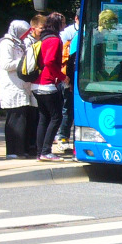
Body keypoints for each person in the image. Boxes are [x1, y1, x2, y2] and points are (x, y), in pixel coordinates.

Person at [0, 20, 37, 158]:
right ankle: (13, 151)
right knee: (15, 119)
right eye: (24, 33)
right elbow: (6, 64)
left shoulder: (19, 43)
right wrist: (24, 61)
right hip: (11, 86)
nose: (26, 36)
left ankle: (23, 149)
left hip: (21, 86)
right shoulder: (6, 43)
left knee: (23, 119)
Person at [32, 12, 67, 162]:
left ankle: (40, 151)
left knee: (44, 117)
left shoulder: (44, 38)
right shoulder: (54, 40)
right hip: (48, 84)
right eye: (63, 23)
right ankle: (46, 151)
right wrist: (62, 76)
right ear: (58, 24)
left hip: (37, 83)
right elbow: (50, 61)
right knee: (56, 117)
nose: (65, 26)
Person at [55, 9, 80, 152]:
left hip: (75, 77)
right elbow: (71, 59)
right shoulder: (71, 34)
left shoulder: (84, 31)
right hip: (70, 78)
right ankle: (63, 137)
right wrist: (69, 81)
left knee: (71, 108)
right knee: (68, 108)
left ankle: (70, 139)